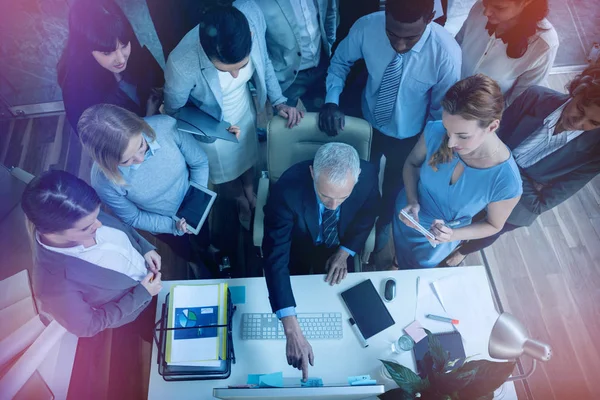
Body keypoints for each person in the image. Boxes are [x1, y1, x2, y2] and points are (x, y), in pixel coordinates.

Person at [319, 0, 462, 253]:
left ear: (430, 18)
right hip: (366, 123)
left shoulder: (446, 54)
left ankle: (383, 225)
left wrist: (424, 149)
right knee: (360, 178)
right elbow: (340, 62)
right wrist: (332, 100)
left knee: (395, 187)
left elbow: (441, 112)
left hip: (411, 135)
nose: (399, 44)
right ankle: (350, 227)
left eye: (410, 38)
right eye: (392, 34)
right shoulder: (367, 27)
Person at [164, 2, 303, 232]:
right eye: (226, 69)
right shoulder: (181, 64)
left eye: (242, 65)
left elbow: (265, 61)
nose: (237, 74)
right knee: (225, 171)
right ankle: (239, 197)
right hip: (208, 123)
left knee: (246, 155)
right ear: (205, 53)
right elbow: (174, 111)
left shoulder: (252, 14)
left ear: (250, 35)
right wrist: (216, 129)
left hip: (243, 108)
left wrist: (278, 101)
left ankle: (250, 190)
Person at [446, 65, 600, 265]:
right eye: (580, 109)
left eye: (594, 123)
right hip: (482, 178)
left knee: (490, 232)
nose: (579, 123)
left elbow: (540, 204)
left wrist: (504, 164)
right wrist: (528, 182)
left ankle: (464, 250)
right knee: (456, 217)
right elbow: (489, 139)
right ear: (577, 91)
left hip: (517, 207)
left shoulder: (595, 154)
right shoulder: (535, 97)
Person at [263, 143, 380, 379]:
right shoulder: (287, 190)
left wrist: (345, 251)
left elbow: (369, 213)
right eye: (325, 196)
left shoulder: (367, 176)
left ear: (356, 178)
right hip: (297, 245)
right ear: (312, 174)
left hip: (339, 243)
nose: (333, 205)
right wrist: (292, 330)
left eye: (342, 197)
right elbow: (275, 256)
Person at [394, 74, 523, 269]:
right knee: (397, 251)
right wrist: (412, 200)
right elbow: (411, 164)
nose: (451, 142)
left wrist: (453, 235)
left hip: (437, 239)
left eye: (463, 136)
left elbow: (494, 225)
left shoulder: (507, 182)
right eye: (448, 129)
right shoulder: (435, 131)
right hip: (408, 213)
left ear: (492, 126)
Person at [22, 170, 162, 337]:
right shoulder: (51, 284)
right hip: (139, 315)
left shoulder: (82, 213)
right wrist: (142, 294)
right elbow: (87, 326)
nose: (99, 224)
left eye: (97, 214)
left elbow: (120, 226)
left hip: (152, 276)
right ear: (52, 233)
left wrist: (144, 247)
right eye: (86, 227)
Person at [78, 104, 212, 276]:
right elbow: (134, 217)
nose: (141, 159)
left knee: (204, 235)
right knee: (182, 248)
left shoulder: (166, 127)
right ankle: (193, 262)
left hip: (194, 201)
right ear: (106, 161)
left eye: (142, 146)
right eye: (126, 161)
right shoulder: (103, 181)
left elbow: (199, 163)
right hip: (161, 223)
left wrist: (198, 200)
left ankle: (208, 248)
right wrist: (173, 226)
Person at [57, 0, 164, 134]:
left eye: (124, 45)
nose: (121, 59)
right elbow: (104, 143)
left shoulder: (136, 55)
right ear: (85, 50)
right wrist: (149, 116)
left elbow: (158, 84)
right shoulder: (76, 91)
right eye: (107, 52)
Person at [456, 0, 558, 106]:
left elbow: (519, 100)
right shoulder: (479, 8)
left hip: (484, 112)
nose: (486, 12)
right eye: (485, 2)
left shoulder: (544, 45)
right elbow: (456, 45)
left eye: (499, 8)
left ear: (526, 2)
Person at [254, 0, 337, 111]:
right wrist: (276, 97)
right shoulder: (257, 3)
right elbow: (260, 51)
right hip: (286, 77)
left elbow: (330, 14)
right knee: (288, 124)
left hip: (321, 67)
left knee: (323, 120)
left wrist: (329, 46)